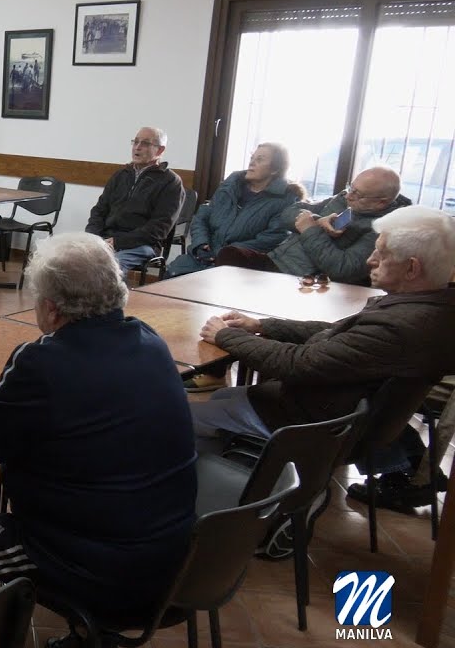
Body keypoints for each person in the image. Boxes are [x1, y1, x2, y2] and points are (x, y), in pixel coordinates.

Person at [0, 232, 197, 648]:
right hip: (178, 559)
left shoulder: (41, 361)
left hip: (93, 566)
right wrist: (2, 397)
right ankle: (88, 643)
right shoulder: (149, 341)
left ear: (51, 308)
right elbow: (79, 415)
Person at [193, 206, 455, 529]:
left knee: (185, 418)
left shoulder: (401, 327)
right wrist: (260, 325)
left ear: (412, 268)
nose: (370, 261)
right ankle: (239, 486)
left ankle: (221, 511)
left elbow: (295, 364)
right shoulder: (430, 309)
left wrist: (226, 335)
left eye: (382, 254)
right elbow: (337, 331)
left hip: (314, 424)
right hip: (341, 416)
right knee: (220, 401)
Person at [215, 166, 409, 285]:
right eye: (351, 187)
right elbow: (289, 213)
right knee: (230, 254)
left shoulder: (381, 229)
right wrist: (317, 219)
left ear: (381, 202)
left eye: (358, 194)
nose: (349, 195)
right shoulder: (342, 199)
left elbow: (344, 270)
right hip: (275, 260)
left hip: (303, 280)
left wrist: (310, 229)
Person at [165, 143, 300, 277]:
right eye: (252, 158)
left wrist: (222, 253)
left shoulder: (284, 200)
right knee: (169, 280)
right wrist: (201, 244)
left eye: (260, 159)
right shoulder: (230, 186)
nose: (252, 163)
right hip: (200, 257)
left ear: (274, 169)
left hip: (239, 267)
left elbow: (271, 239)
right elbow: (202, 217)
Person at [85, 126, 186, 271]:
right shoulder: (121, 175)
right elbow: (99, 211)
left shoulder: (171, 182)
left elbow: (158, 229)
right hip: (106, 240)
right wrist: (94, 238)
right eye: (135, 142)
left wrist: (118, 242)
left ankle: (116, 294)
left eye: (145, 143)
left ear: (160, 150)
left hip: (142, 245)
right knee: (70, 261)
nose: (137, 148)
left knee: (110, 267)